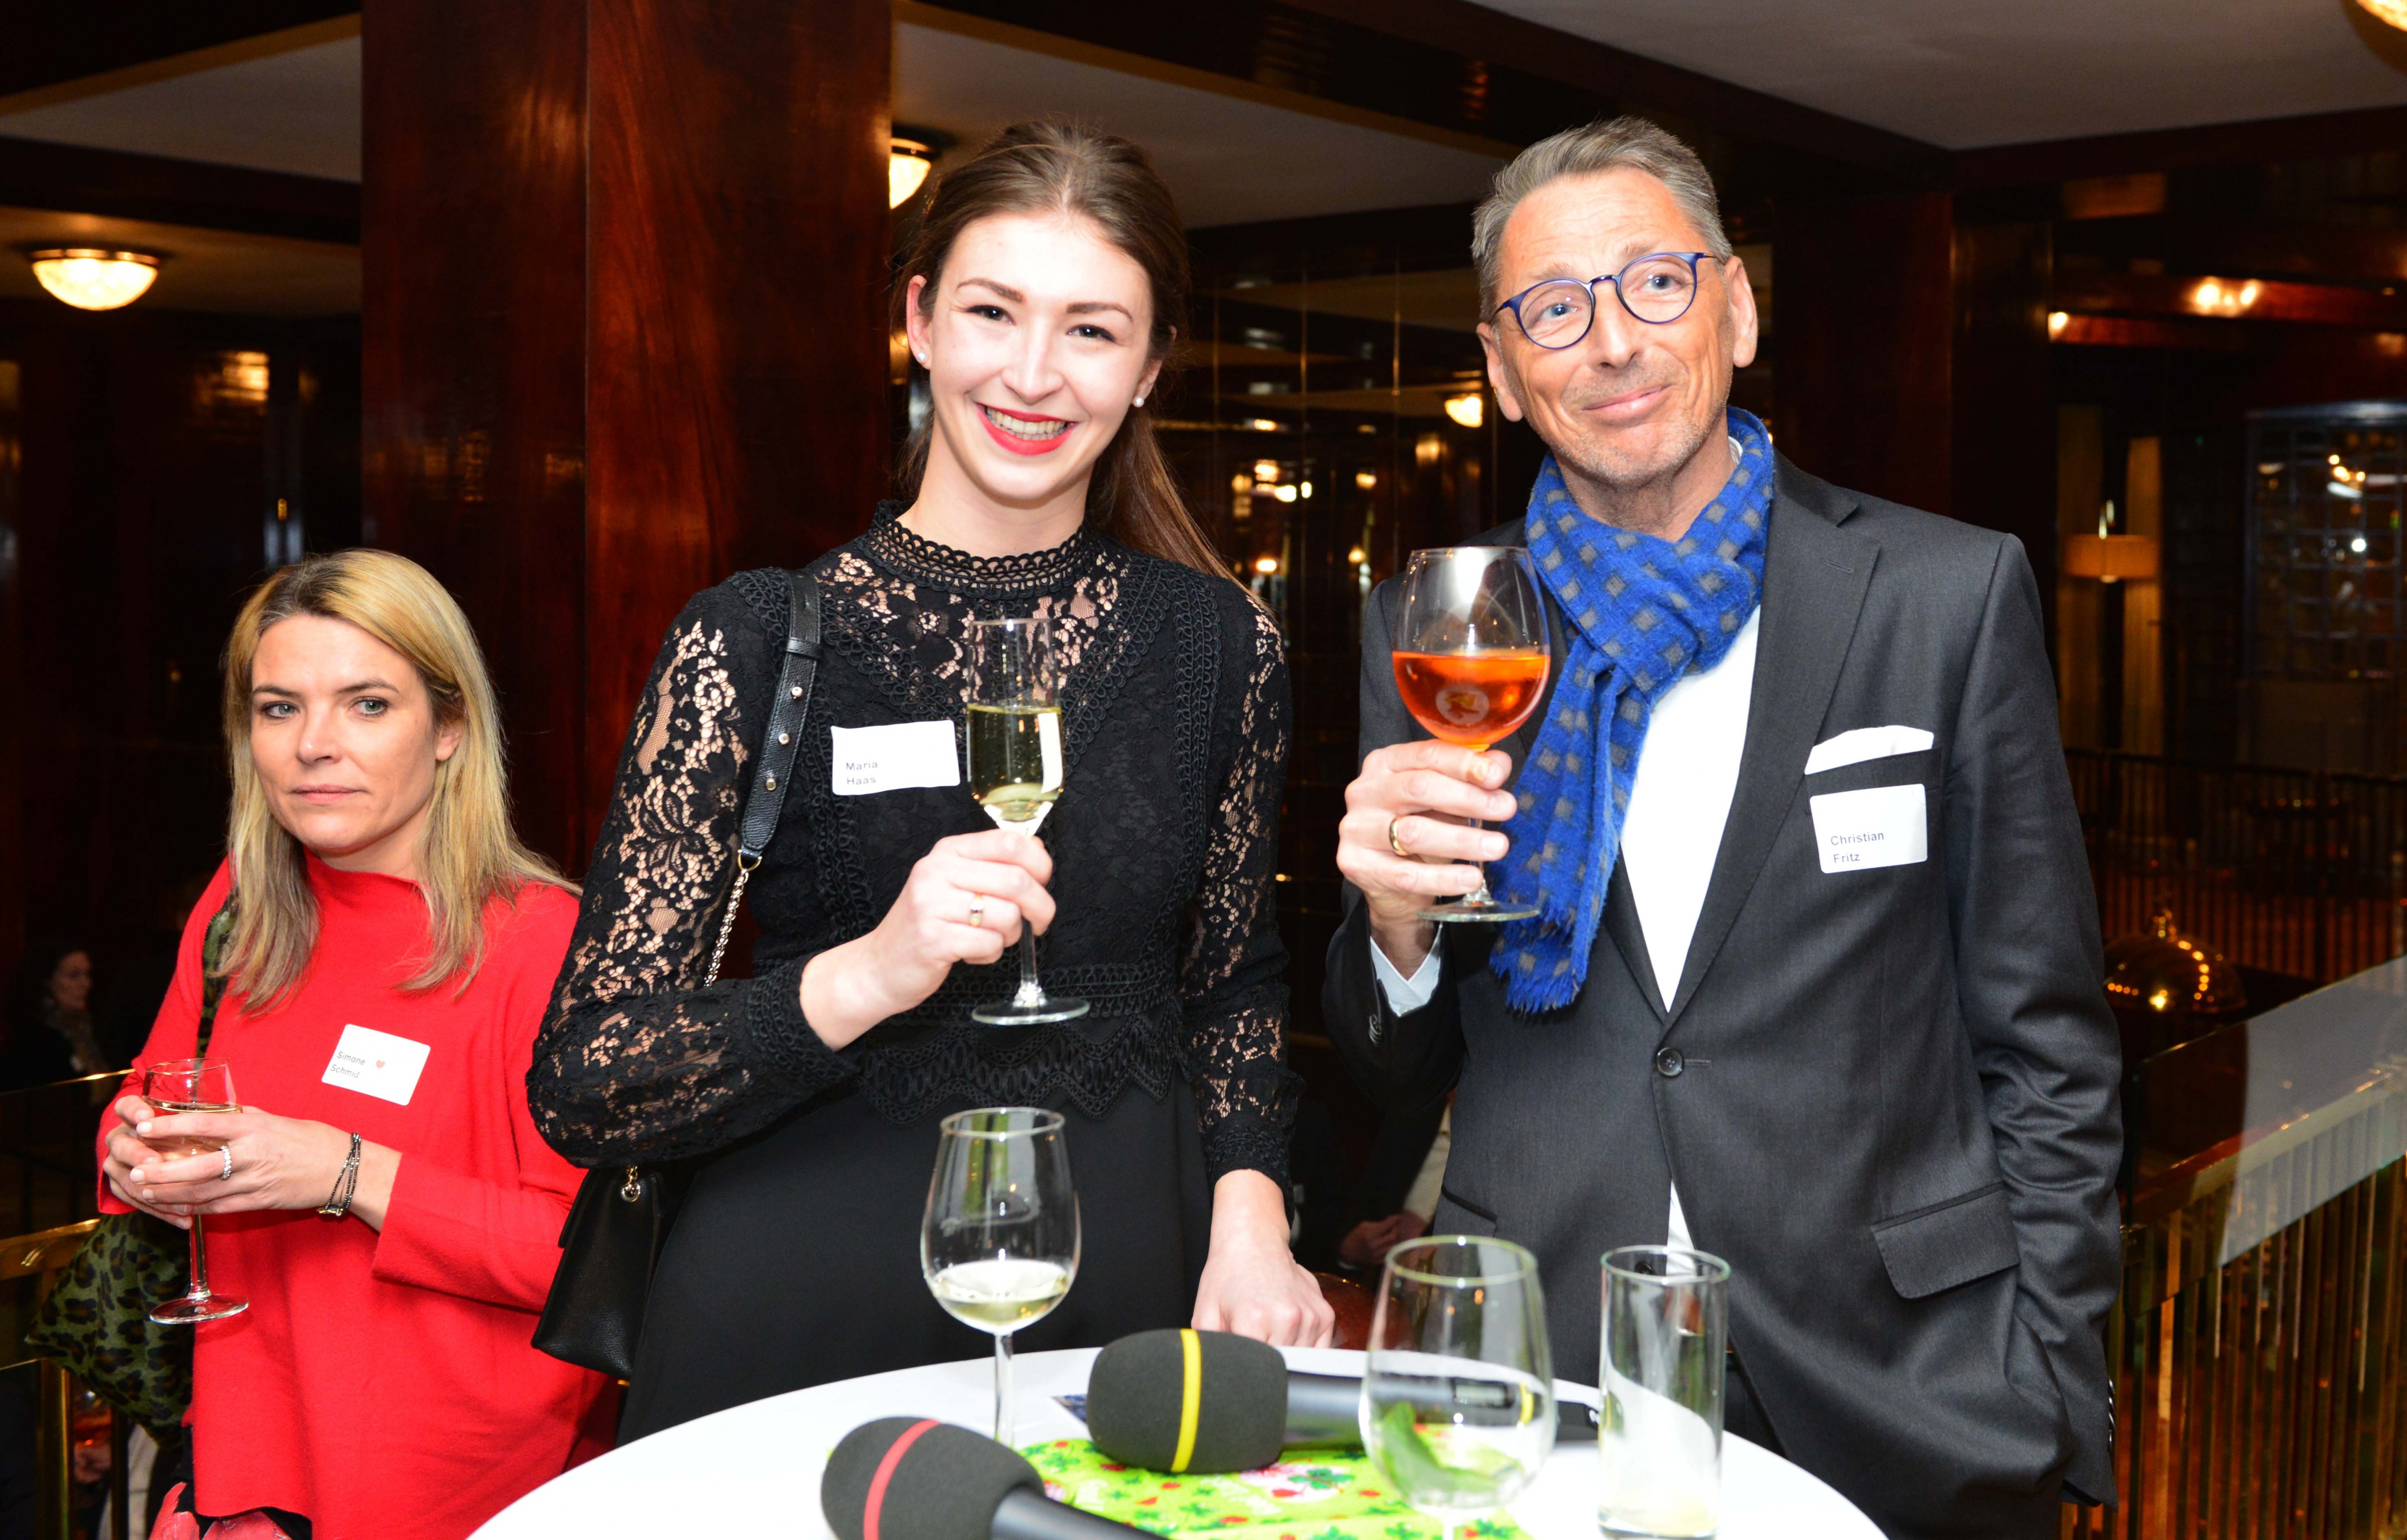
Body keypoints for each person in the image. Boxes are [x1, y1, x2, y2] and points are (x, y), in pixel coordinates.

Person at [1324, 118, 2121, 1536]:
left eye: (1654, 282)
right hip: (1542, 1362)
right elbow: (1395, 1066)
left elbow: (2045, 1040)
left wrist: (2042, 1384)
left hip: (1897, 1386)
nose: (1611, 342)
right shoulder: (1442, 629)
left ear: (1736, 310)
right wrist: (1394, 925)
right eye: (1553, 309)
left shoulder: (1939, 596)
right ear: (1503, 372)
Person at [530, 119, 1328, 1440]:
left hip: (1123, 1275)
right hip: (804, 1289)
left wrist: (1253, 1216)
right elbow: (586, 1076)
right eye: (991, 311)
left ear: (1149, 368)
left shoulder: (1218, 642)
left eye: (1090, 329)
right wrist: (872, 972)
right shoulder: (752, 637)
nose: (1033, 372)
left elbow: (1233, 980)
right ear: (918, 321)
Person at [95, 550, 615, 1540]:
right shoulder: (240, 911)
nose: (312, 746)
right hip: (242, 1471)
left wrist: (347, 1171)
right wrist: (133, 1158)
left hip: (462, 1490)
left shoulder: (544, 942)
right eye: (279, 708)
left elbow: (593, 1262)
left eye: (367, 705)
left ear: (450, 728)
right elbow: (145, 1115)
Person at [0, 940, 105, 1090]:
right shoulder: (32, 1041)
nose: (86, 984)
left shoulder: (88, 1027)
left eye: (87, 974)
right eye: (74, 976)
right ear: (47, 981)